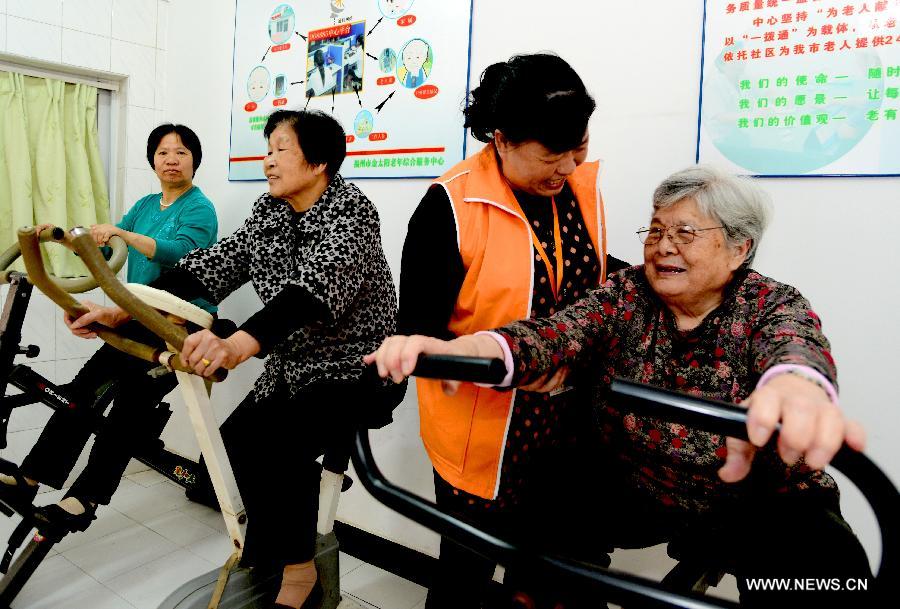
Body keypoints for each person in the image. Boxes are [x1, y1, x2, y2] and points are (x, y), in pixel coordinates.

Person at [369, 165, 875, 606]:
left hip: (761, 497)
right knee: (547, 508)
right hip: (642, 482)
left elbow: (796, 350)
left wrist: (797, 387)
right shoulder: (628, 293)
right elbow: (549, 336)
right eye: (654, 231)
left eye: (685, 232)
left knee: (823, 573)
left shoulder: (770, 303)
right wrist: (457, 352)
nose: (663, 247)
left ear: (739, 247)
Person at [67, 109, 401, 609]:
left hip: (357, 369)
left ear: (319, 163)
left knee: (279, 448)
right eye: (267, 150)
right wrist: (122, 311)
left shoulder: (352, 211)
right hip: (293, 367)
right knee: (236, 448)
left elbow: (307, 295)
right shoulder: (269, 212)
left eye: (280, 150)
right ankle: (273, 555)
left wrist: (236, 345)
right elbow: (208, 266)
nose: (267, 162)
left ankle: (299, 574)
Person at [397, 52, 627, 608]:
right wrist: (513, 366)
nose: (568, 167)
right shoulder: (449, 206)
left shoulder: (575, 191)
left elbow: (589, 274)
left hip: (568, 426)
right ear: (501, 139)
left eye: (579, 149)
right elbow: (418, 335)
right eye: (551, 154)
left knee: (553, 574)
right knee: (465, 576)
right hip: (485, 430)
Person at [0, 124, 218, 529]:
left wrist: (123, 234)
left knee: (130, 409)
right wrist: (71, 239)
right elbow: (109, 252)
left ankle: (86, 498)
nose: (172, 159)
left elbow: (183, 255)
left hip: (176, 326)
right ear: (152, 159)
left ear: (194, 160)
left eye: (182, 152)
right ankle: (29, 479)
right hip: (135, 318)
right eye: (164, 152)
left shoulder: (199, 208)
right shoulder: (146, 205)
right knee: (80, 394)